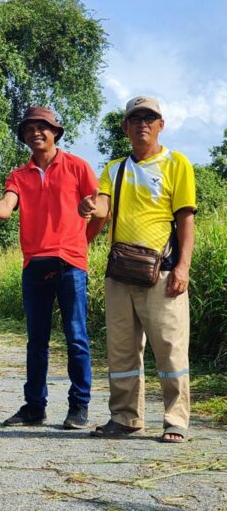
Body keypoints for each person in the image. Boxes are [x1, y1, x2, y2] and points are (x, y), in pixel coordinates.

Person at [79, 96, 196, 444]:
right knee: (121, 350)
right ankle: (125, 417)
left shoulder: (176, 163)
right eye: (135, 119)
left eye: (149, 118)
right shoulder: (115, 169)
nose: (142, 124)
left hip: (163, 271)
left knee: (170, 348)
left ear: (161, 125)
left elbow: (185, 219)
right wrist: (90, 206)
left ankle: (175, 420)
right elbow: (103, 206)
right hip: (119, 273)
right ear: (125, 127)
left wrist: (183, 268)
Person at [0, 106, 100, 429]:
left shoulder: (77, 166)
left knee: (76, 336)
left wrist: (83, 240)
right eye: (29, 129)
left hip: (71, 264)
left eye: (42, 127)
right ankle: (34, 407)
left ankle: (79, 406)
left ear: (55, 132)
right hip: (35, 263)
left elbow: (99, 207)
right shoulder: (19, 175)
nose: (35, 133)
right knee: (36, 341)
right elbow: (9, 203)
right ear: (24, 136)